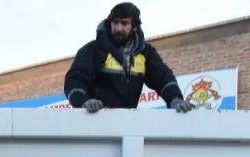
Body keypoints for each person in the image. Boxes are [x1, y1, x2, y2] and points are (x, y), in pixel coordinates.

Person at [64, 3, 194, 113]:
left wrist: (175, 99)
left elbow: (163, 78)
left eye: (124, 23)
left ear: (135, 27)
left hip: (128, 125)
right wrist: (83, 102)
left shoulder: (146, 53)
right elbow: (75, 79)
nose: (118, 28)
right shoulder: (92, 50)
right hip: (94, 123)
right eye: (115, 23)